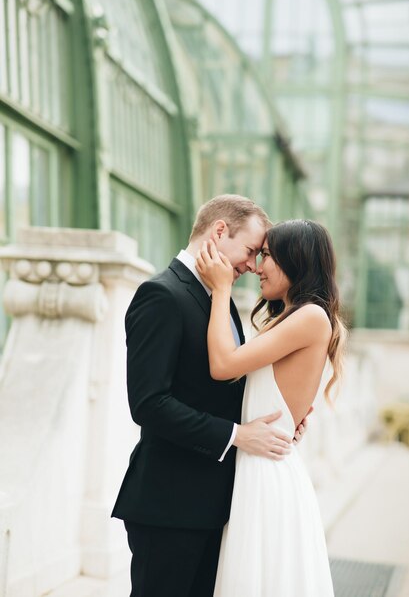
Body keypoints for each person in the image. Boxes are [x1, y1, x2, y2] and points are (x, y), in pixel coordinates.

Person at [111, 195, 309, 597]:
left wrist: (285, 416)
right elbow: (148, 404)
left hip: (213, 505)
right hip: (169, 506)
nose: (252, 266)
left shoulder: (219, 297)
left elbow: (229, 384)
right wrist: (237, 435)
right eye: (251, 251)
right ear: (220, 231)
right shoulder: (161, 295)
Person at [196, 219, 347, 597]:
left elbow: (223, 364)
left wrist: (221, 288)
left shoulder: (310, 317)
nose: (258, 267)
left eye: (267, 256)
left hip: (268, 472)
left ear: (295, 261)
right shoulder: (292, 317)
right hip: (258, 463)